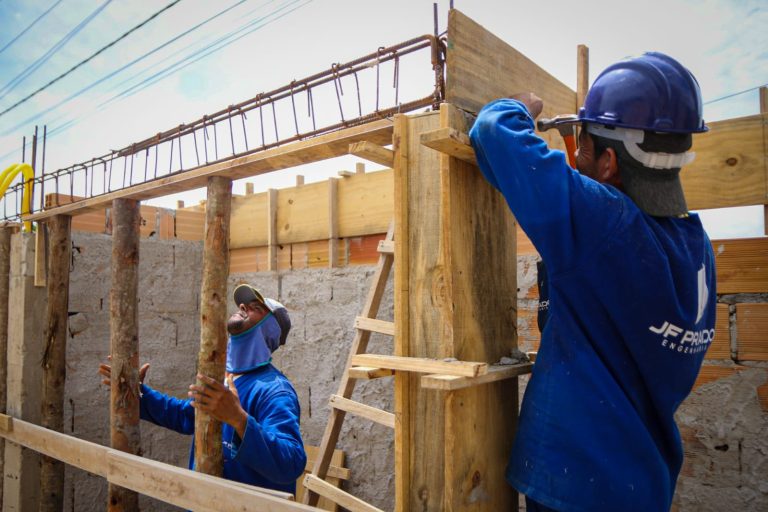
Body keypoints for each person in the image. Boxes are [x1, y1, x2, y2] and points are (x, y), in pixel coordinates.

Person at [469, 52, 716, 511]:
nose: (574, 156)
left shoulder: (604, 222)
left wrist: (518, 105)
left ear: (607, 163)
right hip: (641, 486)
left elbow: (493, 133)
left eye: (581, 145)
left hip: (577, 485)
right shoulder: (695, 248)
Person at [99, 284, 306, 494]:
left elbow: (291, 463)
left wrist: (238, 419)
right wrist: (139, 394)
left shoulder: (275, 390)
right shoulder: (226, 378)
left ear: (270, 328)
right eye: (245, 303)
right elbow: (188, 416)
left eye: (256, 308)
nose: (242, 306)